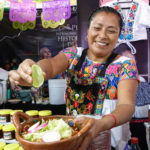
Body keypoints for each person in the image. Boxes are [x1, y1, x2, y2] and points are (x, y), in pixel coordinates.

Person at [9, 6, 139, 150]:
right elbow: (50, 66)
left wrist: (100, 124)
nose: (103, 35)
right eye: (97, 28)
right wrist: (33, 70)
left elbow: (126, 106)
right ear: (87, 31)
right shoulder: (73, 55)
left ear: (119, 35)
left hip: (112, 144)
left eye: (111, 31)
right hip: (74, 140)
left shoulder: (125, 65)